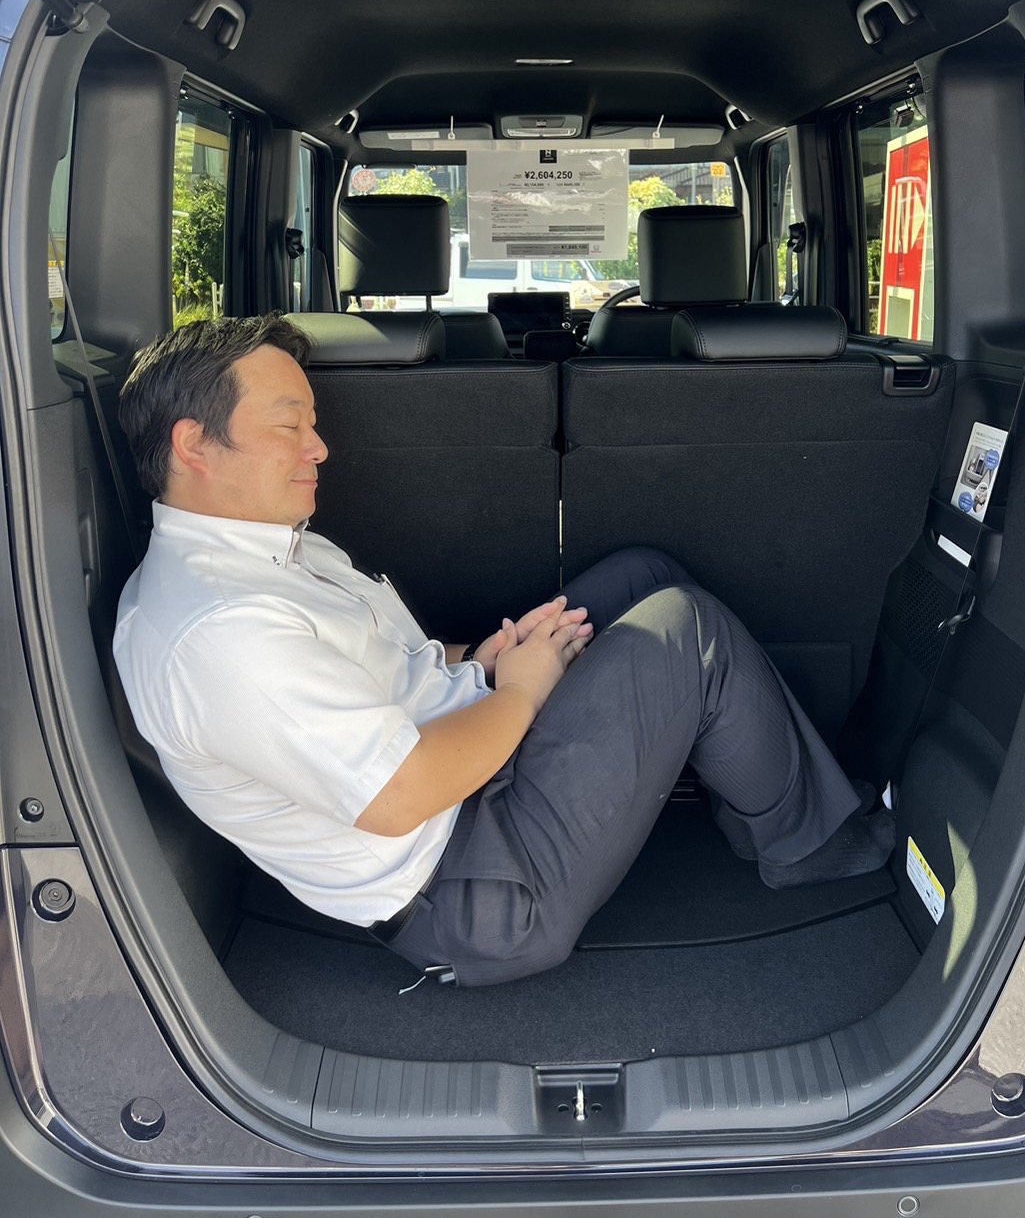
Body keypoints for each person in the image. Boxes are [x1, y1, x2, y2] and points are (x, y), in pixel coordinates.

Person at [113, 313, 894, 988]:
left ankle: (758, 809)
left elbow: (379, 663)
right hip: (474, 888)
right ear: (195, 444)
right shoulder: (221, 635)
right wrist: (521, 689)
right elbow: (399, 795)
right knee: (688, 631)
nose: (319, 447)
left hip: (467, 783)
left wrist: (482, 661)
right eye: (290, 426)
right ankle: (811, 847)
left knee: (643, 575)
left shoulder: (264, 547)